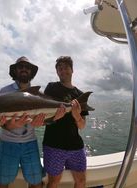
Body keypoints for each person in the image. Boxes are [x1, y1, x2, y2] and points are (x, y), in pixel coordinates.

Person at [0, 56, 46, 188]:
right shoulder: (4, 91)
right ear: (15, 71)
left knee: (36, 182)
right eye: (20, 67)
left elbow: (45, 118)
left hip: (30, 143)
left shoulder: (38, 94)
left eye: (27, 67)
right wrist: (10, 125)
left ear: (31, 71)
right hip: (8, 142)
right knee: (3, 183)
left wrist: (41, 123)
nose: (24, 69)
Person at [42, 56, 89, 188]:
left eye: (66, 67)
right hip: (54, 145)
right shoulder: (51, 87)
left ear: (72, 70)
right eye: (60, 68)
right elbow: (44, 117)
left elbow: (82, 125)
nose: (63, 71)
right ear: (57, 72)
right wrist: (54, 117)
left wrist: (76, 116)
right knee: (53, 182)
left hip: (76, 146)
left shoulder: (80, 95)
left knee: (81, 181)